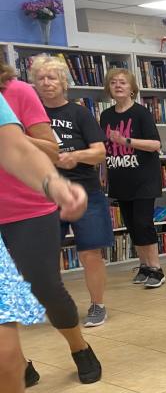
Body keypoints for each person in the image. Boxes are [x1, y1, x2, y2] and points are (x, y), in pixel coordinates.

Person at [0, 91, 88, 393]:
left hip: (23, 214)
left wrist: (55, 183)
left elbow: (14, 146)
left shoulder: (15, 94)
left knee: (6, 358)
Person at [0, 62, 101, 385]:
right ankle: (17, 362)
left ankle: (79, 346)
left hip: (26, 207)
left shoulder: (16, 92)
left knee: (44, 287)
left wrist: (56, 187)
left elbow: (45, 149)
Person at [30, 55, 111, 328]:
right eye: (40, 78)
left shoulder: (79, 113)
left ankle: (98, 305)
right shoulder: (30, 115)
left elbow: (100, 153)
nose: (46, 83)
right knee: (45, 254)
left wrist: (75, 156)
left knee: (90, 252)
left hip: (85, 191)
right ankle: (54, 306)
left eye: (52, 77)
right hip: (44, 194)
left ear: (63, 82)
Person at [100, 67, 165, 288]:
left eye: (123, 82)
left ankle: (157, 269)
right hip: (120, 178)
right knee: (131, 225)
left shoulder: (141, 113)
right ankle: (144, 266)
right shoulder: (105, 116)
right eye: (113, 82)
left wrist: (126, 141)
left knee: (143, 223)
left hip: (144, 179)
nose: (118, 85)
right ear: (109, 88)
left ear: (131, 89)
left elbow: (155, 145)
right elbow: (105, 148)